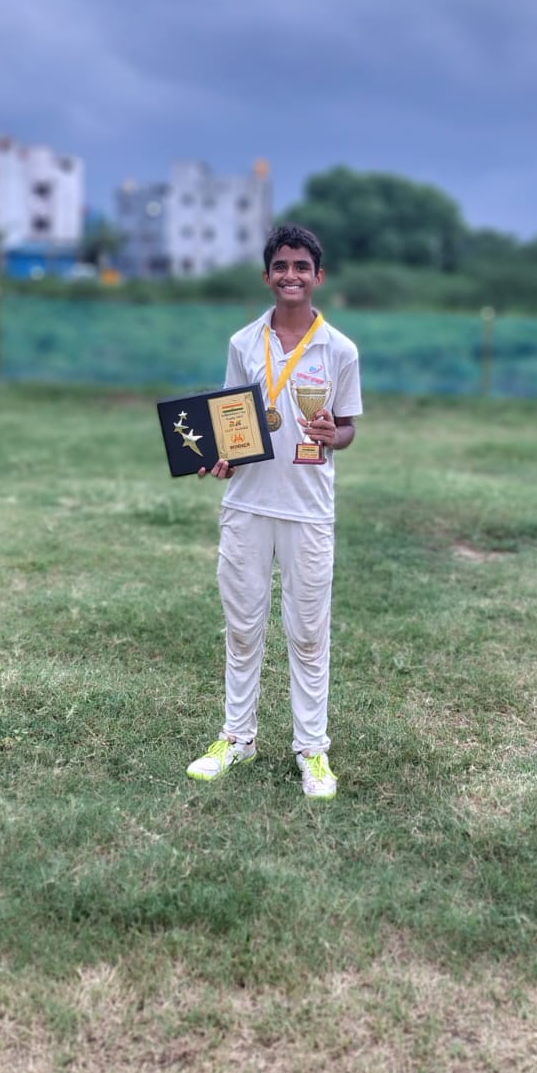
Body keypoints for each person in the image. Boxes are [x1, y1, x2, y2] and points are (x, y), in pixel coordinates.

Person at [186, 223, 362, 799]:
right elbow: (229, 421)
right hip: (247, 504)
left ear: (319, 277)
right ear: (267, 277)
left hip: (308, 509)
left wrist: (333, 434)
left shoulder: (340, 350)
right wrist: (221, 457)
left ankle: (312, 750)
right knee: (242, 627)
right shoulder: (243, 343)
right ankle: (238, 737)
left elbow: (349, 428)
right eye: (281, 266)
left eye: (301, 267)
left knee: (308, 632)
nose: (291, 275)